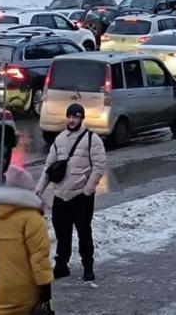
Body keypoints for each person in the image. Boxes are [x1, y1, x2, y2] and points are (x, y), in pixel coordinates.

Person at [35, 103, 107, 281]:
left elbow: (99, 167)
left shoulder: (92, 139)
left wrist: (88, 190)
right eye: (69, 116)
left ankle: (88, 267)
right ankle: (62, 266)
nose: (72, 120)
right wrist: (39, 189)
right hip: (61, 196)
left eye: (75, 117)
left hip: (81, 196)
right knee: (62, 233)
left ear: (81, 118)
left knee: (84, 232)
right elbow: (49, 167)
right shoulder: (60, 140)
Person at [0, 166, 54, 315]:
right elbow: (39, 257)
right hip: (27, 288)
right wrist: (45, 286)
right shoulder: (32, 218)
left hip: (1, 287)